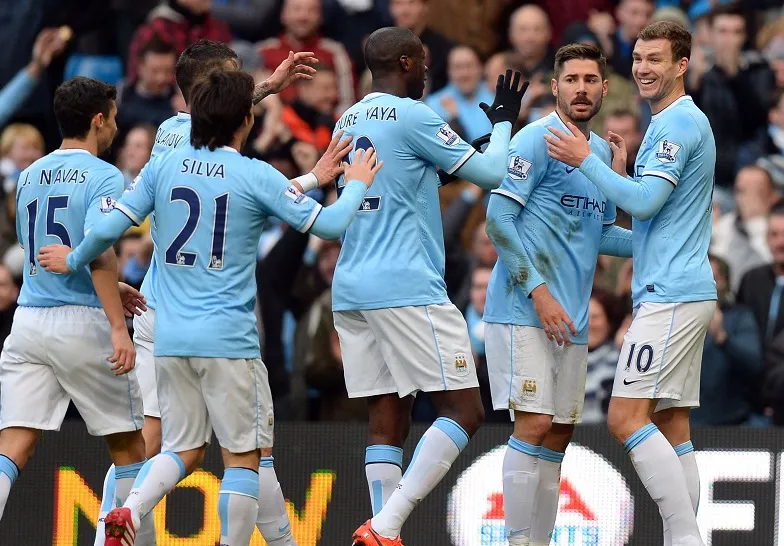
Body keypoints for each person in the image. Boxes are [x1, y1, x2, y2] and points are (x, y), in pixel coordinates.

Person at [38, 69, 381, 546]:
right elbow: (330, 225)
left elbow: (109, 229)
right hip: (227, 339)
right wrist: (357, 183)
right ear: (247, 120)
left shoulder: (164, 166)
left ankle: (128, 509)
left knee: (181, 449)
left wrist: (74, 258)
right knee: (244, 459)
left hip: (170, 337)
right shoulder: (254, 173)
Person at [89, 39, 322, 546]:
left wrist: (269, 87)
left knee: (156, 442)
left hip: (158, 310)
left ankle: (116, 521)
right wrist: (313, 178)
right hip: (216, 317)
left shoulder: (169, 139)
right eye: (234, 77)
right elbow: (248, 187)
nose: (243, 86)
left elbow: (220, 124)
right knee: (251, 453)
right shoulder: (224, 154)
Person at [328, 26, 526, 546]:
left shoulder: (348, 119)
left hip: (351, 286)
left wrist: (445, 166)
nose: (426, 71)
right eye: (423, 61)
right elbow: (493, 173)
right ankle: (385, 526)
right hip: (406, 284)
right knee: (464, 409)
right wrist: (504, 123)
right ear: (406, 63)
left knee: (387, 418)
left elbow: (396, 179)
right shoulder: (414, 114)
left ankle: (381, 531)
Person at [545, 20, 716, 546]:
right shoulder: (673, 121)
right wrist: (619, 178)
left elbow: (644, 203)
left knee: (624, 417)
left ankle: (686, 538)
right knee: (672, 426)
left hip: (670, 296)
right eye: (638, 58)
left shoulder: (677, 124)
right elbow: (649, 223)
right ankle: (683, 538)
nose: (642, 68)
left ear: (681, 65)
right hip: (683, 290)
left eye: (655, 59)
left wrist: (587, 163)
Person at [483, 43, 632, 546]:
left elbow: (601, 234)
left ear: (605, 89)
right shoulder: (534, 139)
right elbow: (498, 220)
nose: (581, 89)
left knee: (560, 432)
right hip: (522, 308)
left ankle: (538, 540)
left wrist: (660, 242)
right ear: (555, 86)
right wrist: (540, 293)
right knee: (534, 422)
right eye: (572, 79)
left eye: (590, 80)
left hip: (570, 319)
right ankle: (515, 541)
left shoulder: (599, 155)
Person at [0, 77, 147, 525]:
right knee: (130, 449)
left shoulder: (28, 175)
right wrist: (118, 327)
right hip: (82, 323)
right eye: (114, 118)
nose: (116, 127)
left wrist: (110, 287)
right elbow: (99, 249)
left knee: (13, 446)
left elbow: (42, 252)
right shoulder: (104, 174)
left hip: (28, 322)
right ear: (99, 120)